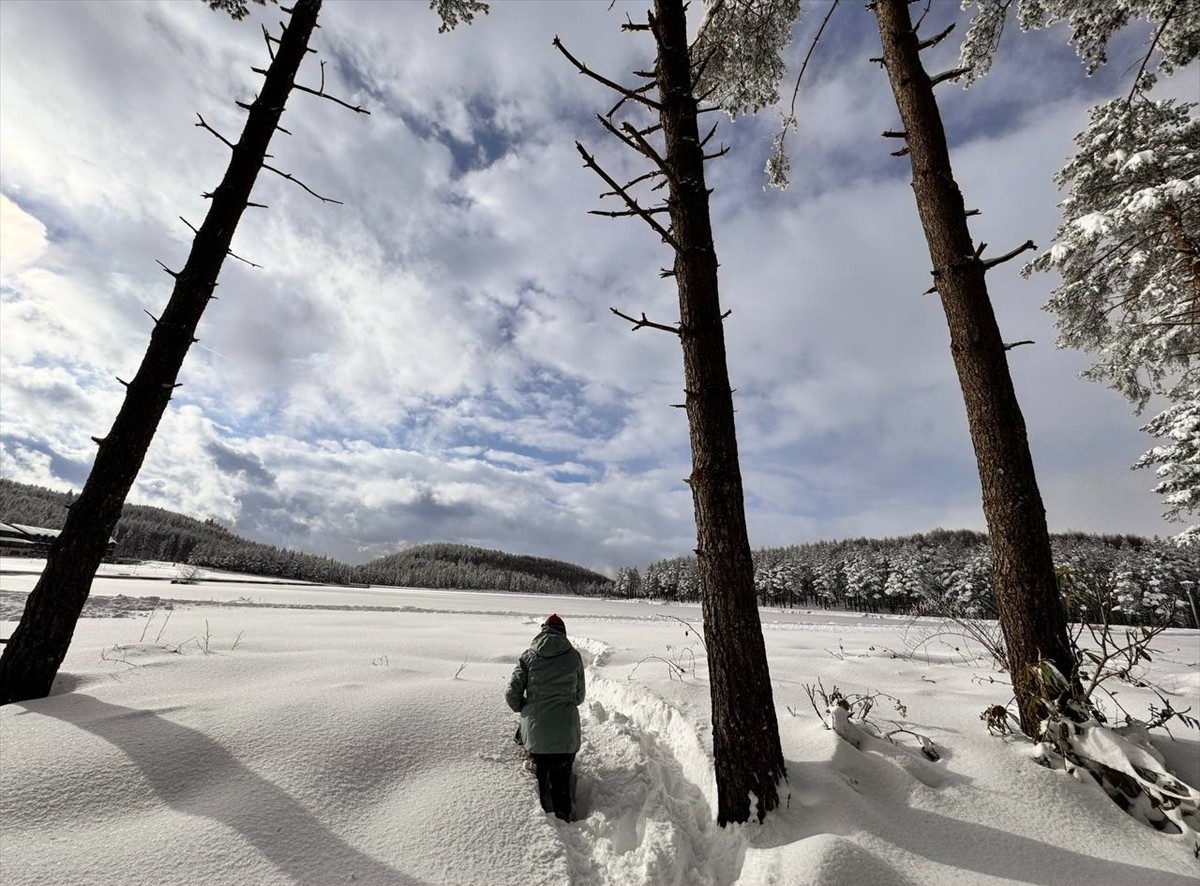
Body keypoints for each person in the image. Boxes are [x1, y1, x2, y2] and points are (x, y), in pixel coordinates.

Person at [505, 613, 586, 821]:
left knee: (541, 775)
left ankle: (542, 817)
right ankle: (564, 813)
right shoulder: (574, 657)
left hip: (536, 736)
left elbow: (511, 695)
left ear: (543, 631)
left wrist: (526, 707)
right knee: (562, 781)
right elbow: (579, 697)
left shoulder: (528, 656)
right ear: (563, 633)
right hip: (567, 736)